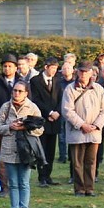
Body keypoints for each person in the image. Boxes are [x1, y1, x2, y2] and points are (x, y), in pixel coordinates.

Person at [0, 81, 44, 208]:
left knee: (24, 182)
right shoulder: (6, 107)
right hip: (9, 149)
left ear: (26, 93)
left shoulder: (32, 107)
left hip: (26, 150)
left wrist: (25, 127)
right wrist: (10, 127)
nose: (16, 93)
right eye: (15, 90)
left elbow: (40, 129)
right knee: (13, 183)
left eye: (20, 91)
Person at [62, 62, 104, 196]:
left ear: (91, 73)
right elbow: (67, 110)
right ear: (77, 72)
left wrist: (96, 125)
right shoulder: (70, 89)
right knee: (77, 162)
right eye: (81, 71)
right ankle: (79, 189)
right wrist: (82, 125)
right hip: (76, 132)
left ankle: (89, 188)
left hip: (94, 132)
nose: (83, 74)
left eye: (86, 71)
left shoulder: (98, 89)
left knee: (91, 161)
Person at [30, 57, 64, 186]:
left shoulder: (58, 80)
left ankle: (48, 175)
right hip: (42, 119)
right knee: (42, 149)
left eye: (56, 68)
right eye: (52, 68)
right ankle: (42, 177)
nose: (54, 71)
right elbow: (36, 100)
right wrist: (49, 112)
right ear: (46, 67)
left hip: (55, 121)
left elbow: (61, 99)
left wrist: (57, 112)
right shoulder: (35, 81)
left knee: (51, 150)